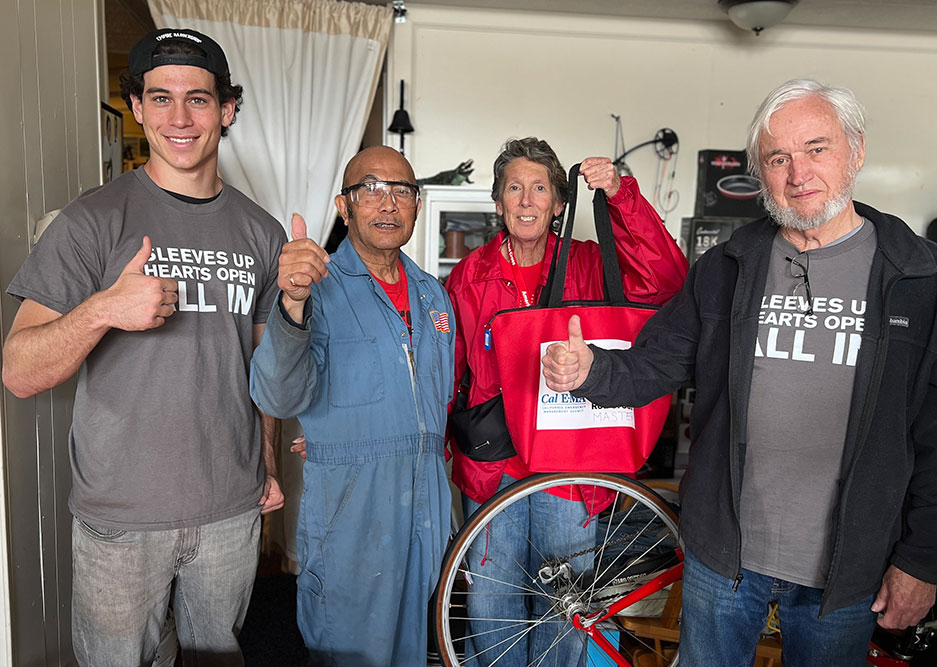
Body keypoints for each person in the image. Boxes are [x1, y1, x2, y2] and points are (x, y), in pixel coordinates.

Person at [541, 79, 937, 666]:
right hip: (723, 558)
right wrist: (590, 369)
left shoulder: (923, 277)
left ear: (855, 152)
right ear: (761, 173)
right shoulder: (728, 265)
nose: (798, 172)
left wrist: (922, 563)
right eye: (779, 158)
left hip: (849, 569)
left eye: (817, 148)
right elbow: (656, 363)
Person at [2, 28, 285, 667]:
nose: (179, 118)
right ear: (136, 108)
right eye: (160, 98)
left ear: (228, 109)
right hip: (120, 521)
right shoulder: (91, 221)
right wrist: (103, 309)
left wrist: (265, 463)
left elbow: (260, 373)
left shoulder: (260, 232)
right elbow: (19, 372)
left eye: (199, 99)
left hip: (229, 513)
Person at [446, 137, 688, 666]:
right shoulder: (470, 274)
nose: (527, 200)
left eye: (540, 188)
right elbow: (450, 373)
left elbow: (668, 281)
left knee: (567, 608)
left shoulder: (590, 263)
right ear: (498, 201)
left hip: (573, 464)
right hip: (496, 466)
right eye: (514, 188)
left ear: (560, 203)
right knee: (492, 603)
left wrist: (622, 197)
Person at [249, 146, 454, 667]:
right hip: (351, 515)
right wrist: (291, 303)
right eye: (371, 189)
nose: (387, 203)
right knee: (347, 652)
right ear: (345, 206)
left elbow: (430, 405)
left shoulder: (434, 296)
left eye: (401, 191)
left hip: (425, 512)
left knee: (413, 651)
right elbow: (275, 394)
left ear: (417, 205)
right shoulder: (316, 287)